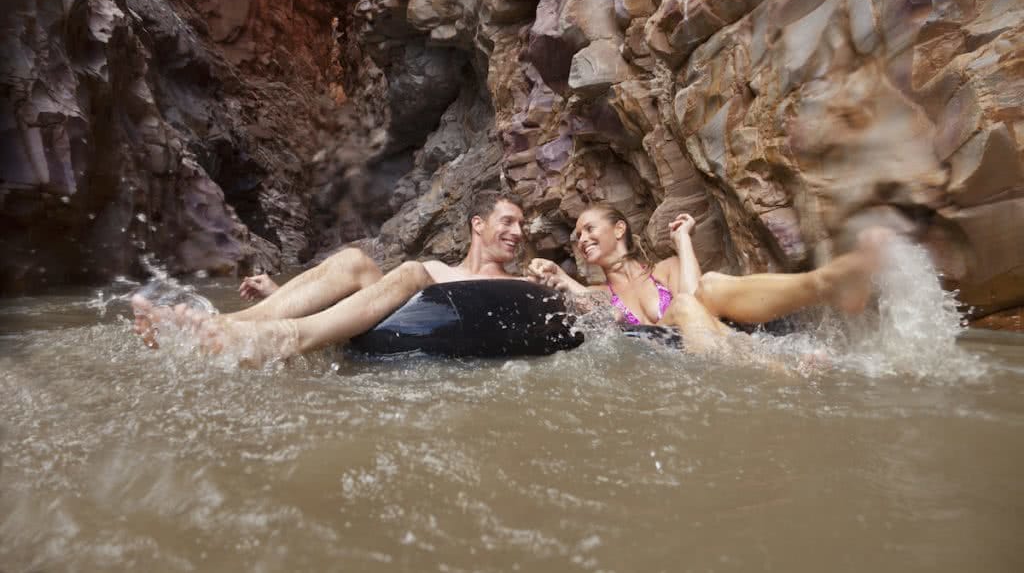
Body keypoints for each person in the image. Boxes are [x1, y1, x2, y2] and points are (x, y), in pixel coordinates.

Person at [131, 191, 527, 365]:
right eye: (507, 221)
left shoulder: (523, 282)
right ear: (478, 224)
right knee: (355, 259)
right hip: (384, 325)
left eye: (522, 225)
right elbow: (375, 302)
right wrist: (282, 291)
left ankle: (281, 339)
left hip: (427, 332)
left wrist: (563, 278)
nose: (518, 232)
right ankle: (218, 326)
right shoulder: (443, 270)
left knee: (410, 271)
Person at [527, 204, 890, 363]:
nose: (581, 238)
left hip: (708, 341)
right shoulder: (598, 294)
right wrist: (559, 278)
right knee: (686, 305)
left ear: (619, 229)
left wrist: (683, 238)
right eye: (577, 236)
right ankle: (779, 365)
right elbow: (601, 315)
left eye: (589, 228)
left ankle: (829, 285)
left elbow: (696, 295)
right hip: (673, 361)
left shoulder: (665, 268)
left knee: (710, 286)